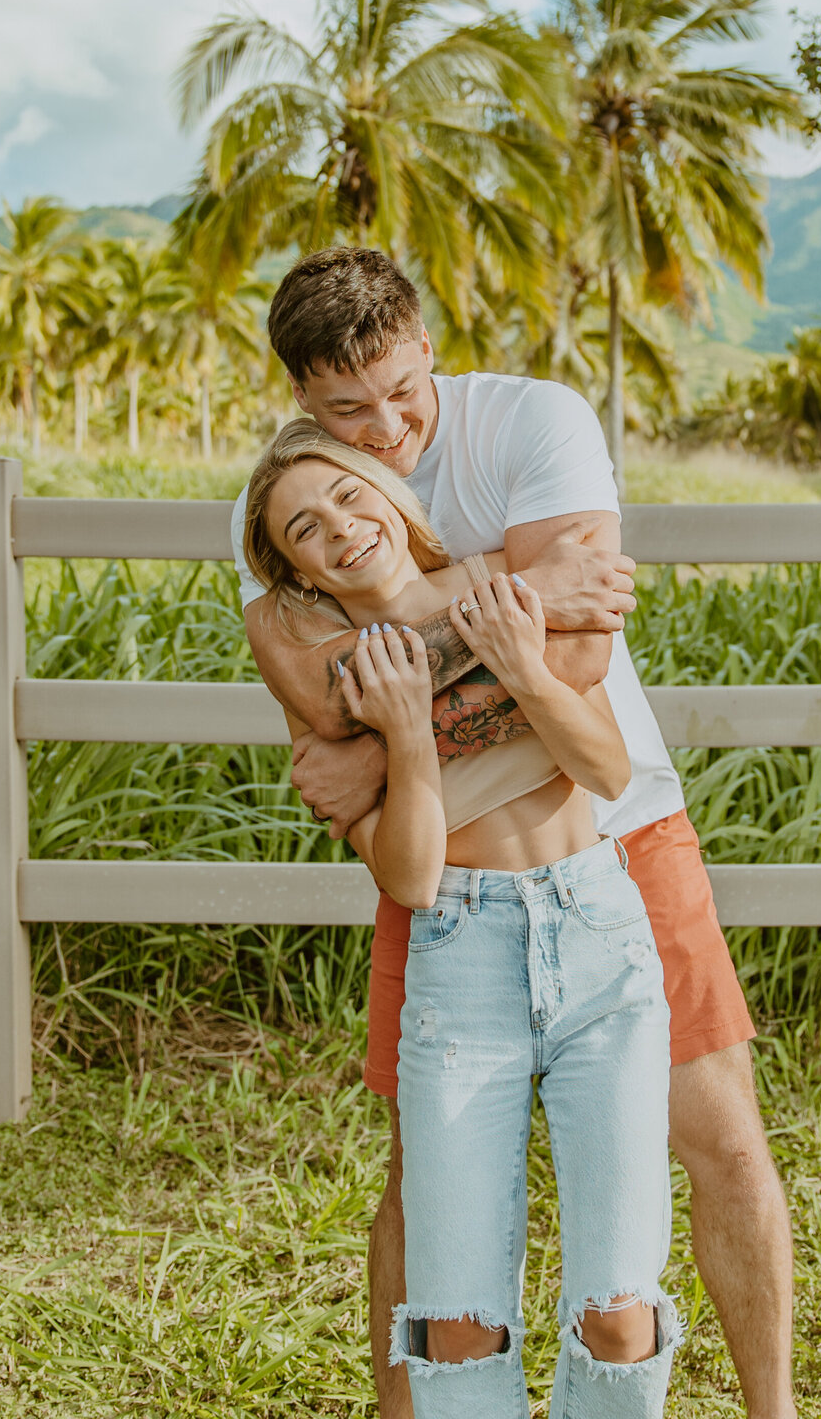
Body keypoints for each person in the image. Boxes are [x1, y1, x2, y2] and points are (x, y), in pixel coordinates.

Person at [231, 247, 797, 1419]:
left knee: (723, 1146)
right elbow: (321, 704)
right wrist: (503, 612)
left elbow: (580, 639)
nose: (382, 429)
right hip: (451, 893)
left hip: (618, 833)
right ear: (301, 400)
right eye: (346, 411)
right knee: (424, 1189)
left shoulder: (531, 422)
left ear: (427, 342)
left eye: (398, 392)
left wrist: (397, 723)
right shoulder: (300, 494)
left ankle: (772, 1412)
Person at [241, 421, 681, 1414]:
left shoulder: (504, 579)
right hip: (460, 948)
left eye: (349, 496)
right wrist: (404, 732)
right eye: (304, 530)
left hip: (598, 929)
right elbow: (410, 874)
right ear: (299, 572)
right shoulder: (329, 678)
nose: (340, 530)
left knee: (619, 1309)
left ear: (388, 492)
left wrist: (512, 673)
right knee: (458, 1320)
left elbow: (609, 769)